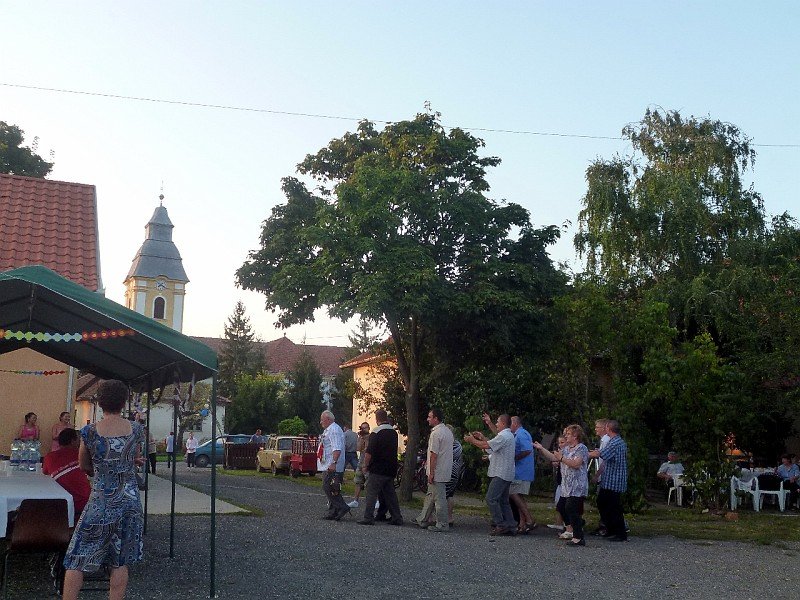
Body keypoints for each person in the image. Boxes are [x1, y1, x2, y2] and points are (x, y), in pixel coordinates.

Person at [62, 379, 145, 600]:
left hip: (101, 502)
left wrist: (99, 471)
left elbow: (83, 465)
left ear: (99, 403)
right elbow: (132, 458)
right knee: (120, 560)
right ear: (124, 402)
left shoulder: (89, 432)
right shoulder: (136, 429)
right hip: (129, 502)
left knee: (77, 557)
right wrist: (129, 463)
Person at [535, 424, 589, 547]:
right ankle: (576, 530)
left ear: (575, 436)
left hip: (577, 485)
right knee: (564, 507)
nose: (566, 436)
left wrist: (562, 458)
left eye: (568, 434)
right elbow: (554, 457)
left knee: (571, 507)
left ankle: (578, 536)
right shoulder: (566, 449)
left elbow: (576, 464)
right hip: (566, 485)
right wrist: (541, 448)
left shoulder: (581, 448)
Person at [463, 413, 517, 536]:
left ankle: (500, 524)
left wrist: (472, 440)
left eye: (497, 422)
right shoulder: (507, 436)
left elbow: (487, 445)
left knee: (491, 498)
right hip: (507, 473)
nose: (496, 424)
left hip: (501, 473)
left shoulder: (504, 436)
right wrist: (482, 437)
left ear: (503, 423)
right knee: (503, 501)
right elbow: (492, 445)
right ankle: (511, 525)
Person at [358, 409, 403, 526]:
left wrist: (365, 465)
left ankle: (368, 517)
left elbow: (369, 452)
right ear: (386, 418)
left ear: (377, 419)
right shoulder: (393, 433)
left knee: (371, 493)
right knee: (390, 494)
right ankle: (396, 517)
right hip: (391, 468)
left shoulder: (376, 432)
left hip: (377, 468)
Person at [414, 408, 454, 531]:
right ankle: (422, 519)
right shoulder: (448, 432)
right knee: (431, 495)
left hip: (437, 471)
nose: (428, 419)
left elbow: (434, 454)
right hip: (445, 469)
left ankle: (442, 524)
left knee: (439, 499)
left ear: (436, 419)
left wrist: (431, 472)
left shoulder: (436, 434)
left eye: (430, 417)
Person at [589, 419, 628, 541]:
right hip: (611, 479)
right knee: (603, 502)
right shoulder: (617, 441)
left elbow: (601, 454)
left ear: (609, 429)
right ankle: (610, 528)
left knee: (614, 507)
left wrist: (583, 454)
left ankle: (620, 533)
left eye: (606, 427)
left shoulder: (614, 443)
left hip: (614, 480)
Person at [42, 428, 90, 515]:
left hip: (59, 504)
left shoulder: (49, 457)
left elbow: (45, 473)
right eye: (78, 440)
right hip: (83, 503)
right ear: (72, 441)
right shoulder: (81, 455)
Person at [318, 410, 350, 520]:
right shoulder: (329, 429)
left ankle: (342, 507)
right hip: (328, 464)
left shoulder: (334, 430)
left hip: (332, 465)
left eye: (322, 420)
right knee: (332, 487)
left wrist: (334, 463)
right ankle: (333, 511)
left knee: (328, 486)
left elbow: (337, 448)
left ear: (328, 419)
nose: (321, 422)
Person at [509, 415, 536, 534]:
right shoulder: (518, 434)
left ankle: (529, 519)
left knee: (513, 493)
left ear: (515, 423)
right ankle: (522, 523)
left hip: (522, 471)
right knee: (518, 496)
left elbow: (527, 449)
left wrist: (514, 458)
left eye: (510, 423)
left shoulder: (521, 434)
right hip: (520, 471)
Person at [444, 425, 464, 528]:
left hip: (449, 472)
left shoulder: (451, 445)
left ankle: (439, 517)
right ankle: (449, 517)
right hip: (456, 472)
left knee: (443, 494)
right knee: (450, 495)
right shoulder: (458, 445)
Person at [348, 422, 371, 509]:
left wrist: (366, 439)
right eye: (362, 428)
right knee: (358, 481)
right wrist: (361, 439)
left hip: (368, 463)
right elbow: (358, 448)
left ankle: (372, 501)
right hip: (361, 462)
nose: (364, 429)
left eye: (365, 428)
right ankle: (355, 501)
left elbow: (368, 448)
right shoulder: (360, 437)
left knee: (369, 483)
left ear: (368, 428)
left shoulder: (371, 437)